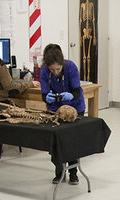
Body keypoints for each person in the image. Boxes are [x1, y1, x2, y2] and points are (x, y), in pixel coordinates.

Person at [40, 43, 85, 185]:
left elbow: (77, 91)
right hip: (54, 109)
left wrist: (70, 96)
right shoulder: (44, 72)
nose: (55, 72)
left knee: (72, 141)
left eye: (58, 69)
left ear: (62, 64)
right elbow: (44, 94)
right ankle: (59, 172)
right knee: (55, 141)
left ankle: (73, 173)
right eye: (52, 69)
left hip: (74, 107)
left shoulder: (71, 67)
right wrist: (47, 97)